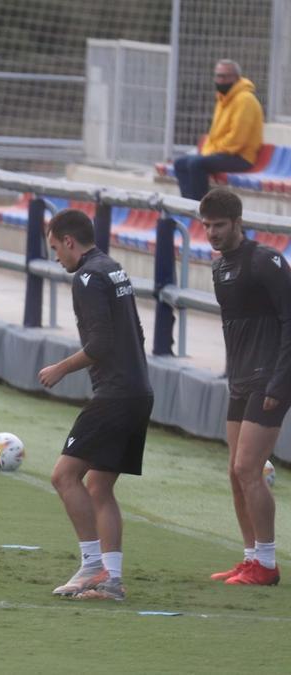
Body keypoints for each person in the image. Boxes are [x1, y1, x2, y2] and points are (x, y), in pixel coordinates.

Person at [38, 209, 153, 601]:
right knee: (99, 486)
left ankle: (92, 566)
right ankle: (112, 582)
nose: (56, 257)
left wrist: (60, 368)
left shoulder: (87, 278)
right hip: (138, 391)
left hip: (116, 394)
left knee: (63, 477)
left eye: (55, 248)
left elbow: (101, 344)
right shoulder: (113, 268)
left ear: (70, 242)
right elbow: (136, 332)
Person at [201, 188, 286, 585]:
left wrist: (281, 379)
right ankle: (251, 558)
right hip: (240, 380)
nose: (211, 232)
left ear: (237, 222)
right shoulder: (220, 268)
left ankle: (267, 565)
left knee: (248, 468)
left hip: (271, 377)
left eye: (218, 225)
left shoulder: (265, 261)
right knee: (235, 473)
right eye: (205, 225)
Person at [173, 59, 264, 201]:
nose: (220, 80)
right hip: (224, 153)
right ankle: (187, 204)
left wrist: (212, 152)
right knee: (180, 163)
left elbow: (237, 140)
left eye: (225, 76)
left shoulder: (245, 100)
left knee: (197, 163)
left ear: (236, 78)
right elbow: (216, 133)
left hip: (240, 157)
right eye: (218, 76)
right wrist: (209, 152)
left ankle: (200, 209)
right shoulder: (224, 99)